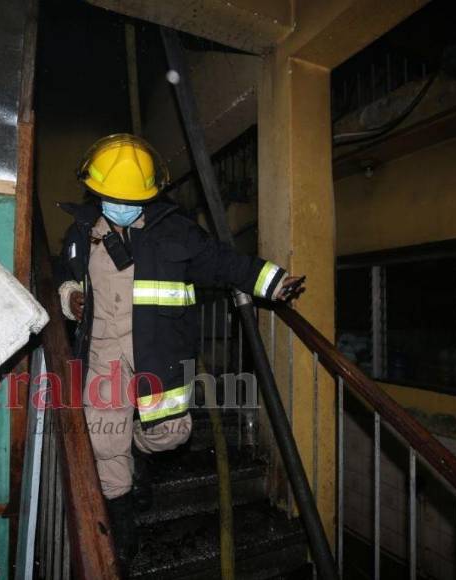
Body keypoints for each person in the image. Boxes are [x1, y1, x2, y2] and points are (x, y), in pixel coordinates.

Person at [56, 134, 304, 571]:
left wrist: (273, 282)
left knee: (171, 434)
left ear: (149, 197)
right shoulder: (80, 232)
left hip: (159, 352)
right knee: (101, 436)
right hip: (104, 351)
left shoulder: (176, 231)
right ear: (96, 193)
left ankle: (135, 456)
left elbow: (226, 262)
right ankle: (120, 519)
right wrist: (69, 294)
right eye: (111, 197)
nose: (120, 204)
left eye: (129, 199)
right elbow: (64, 273)